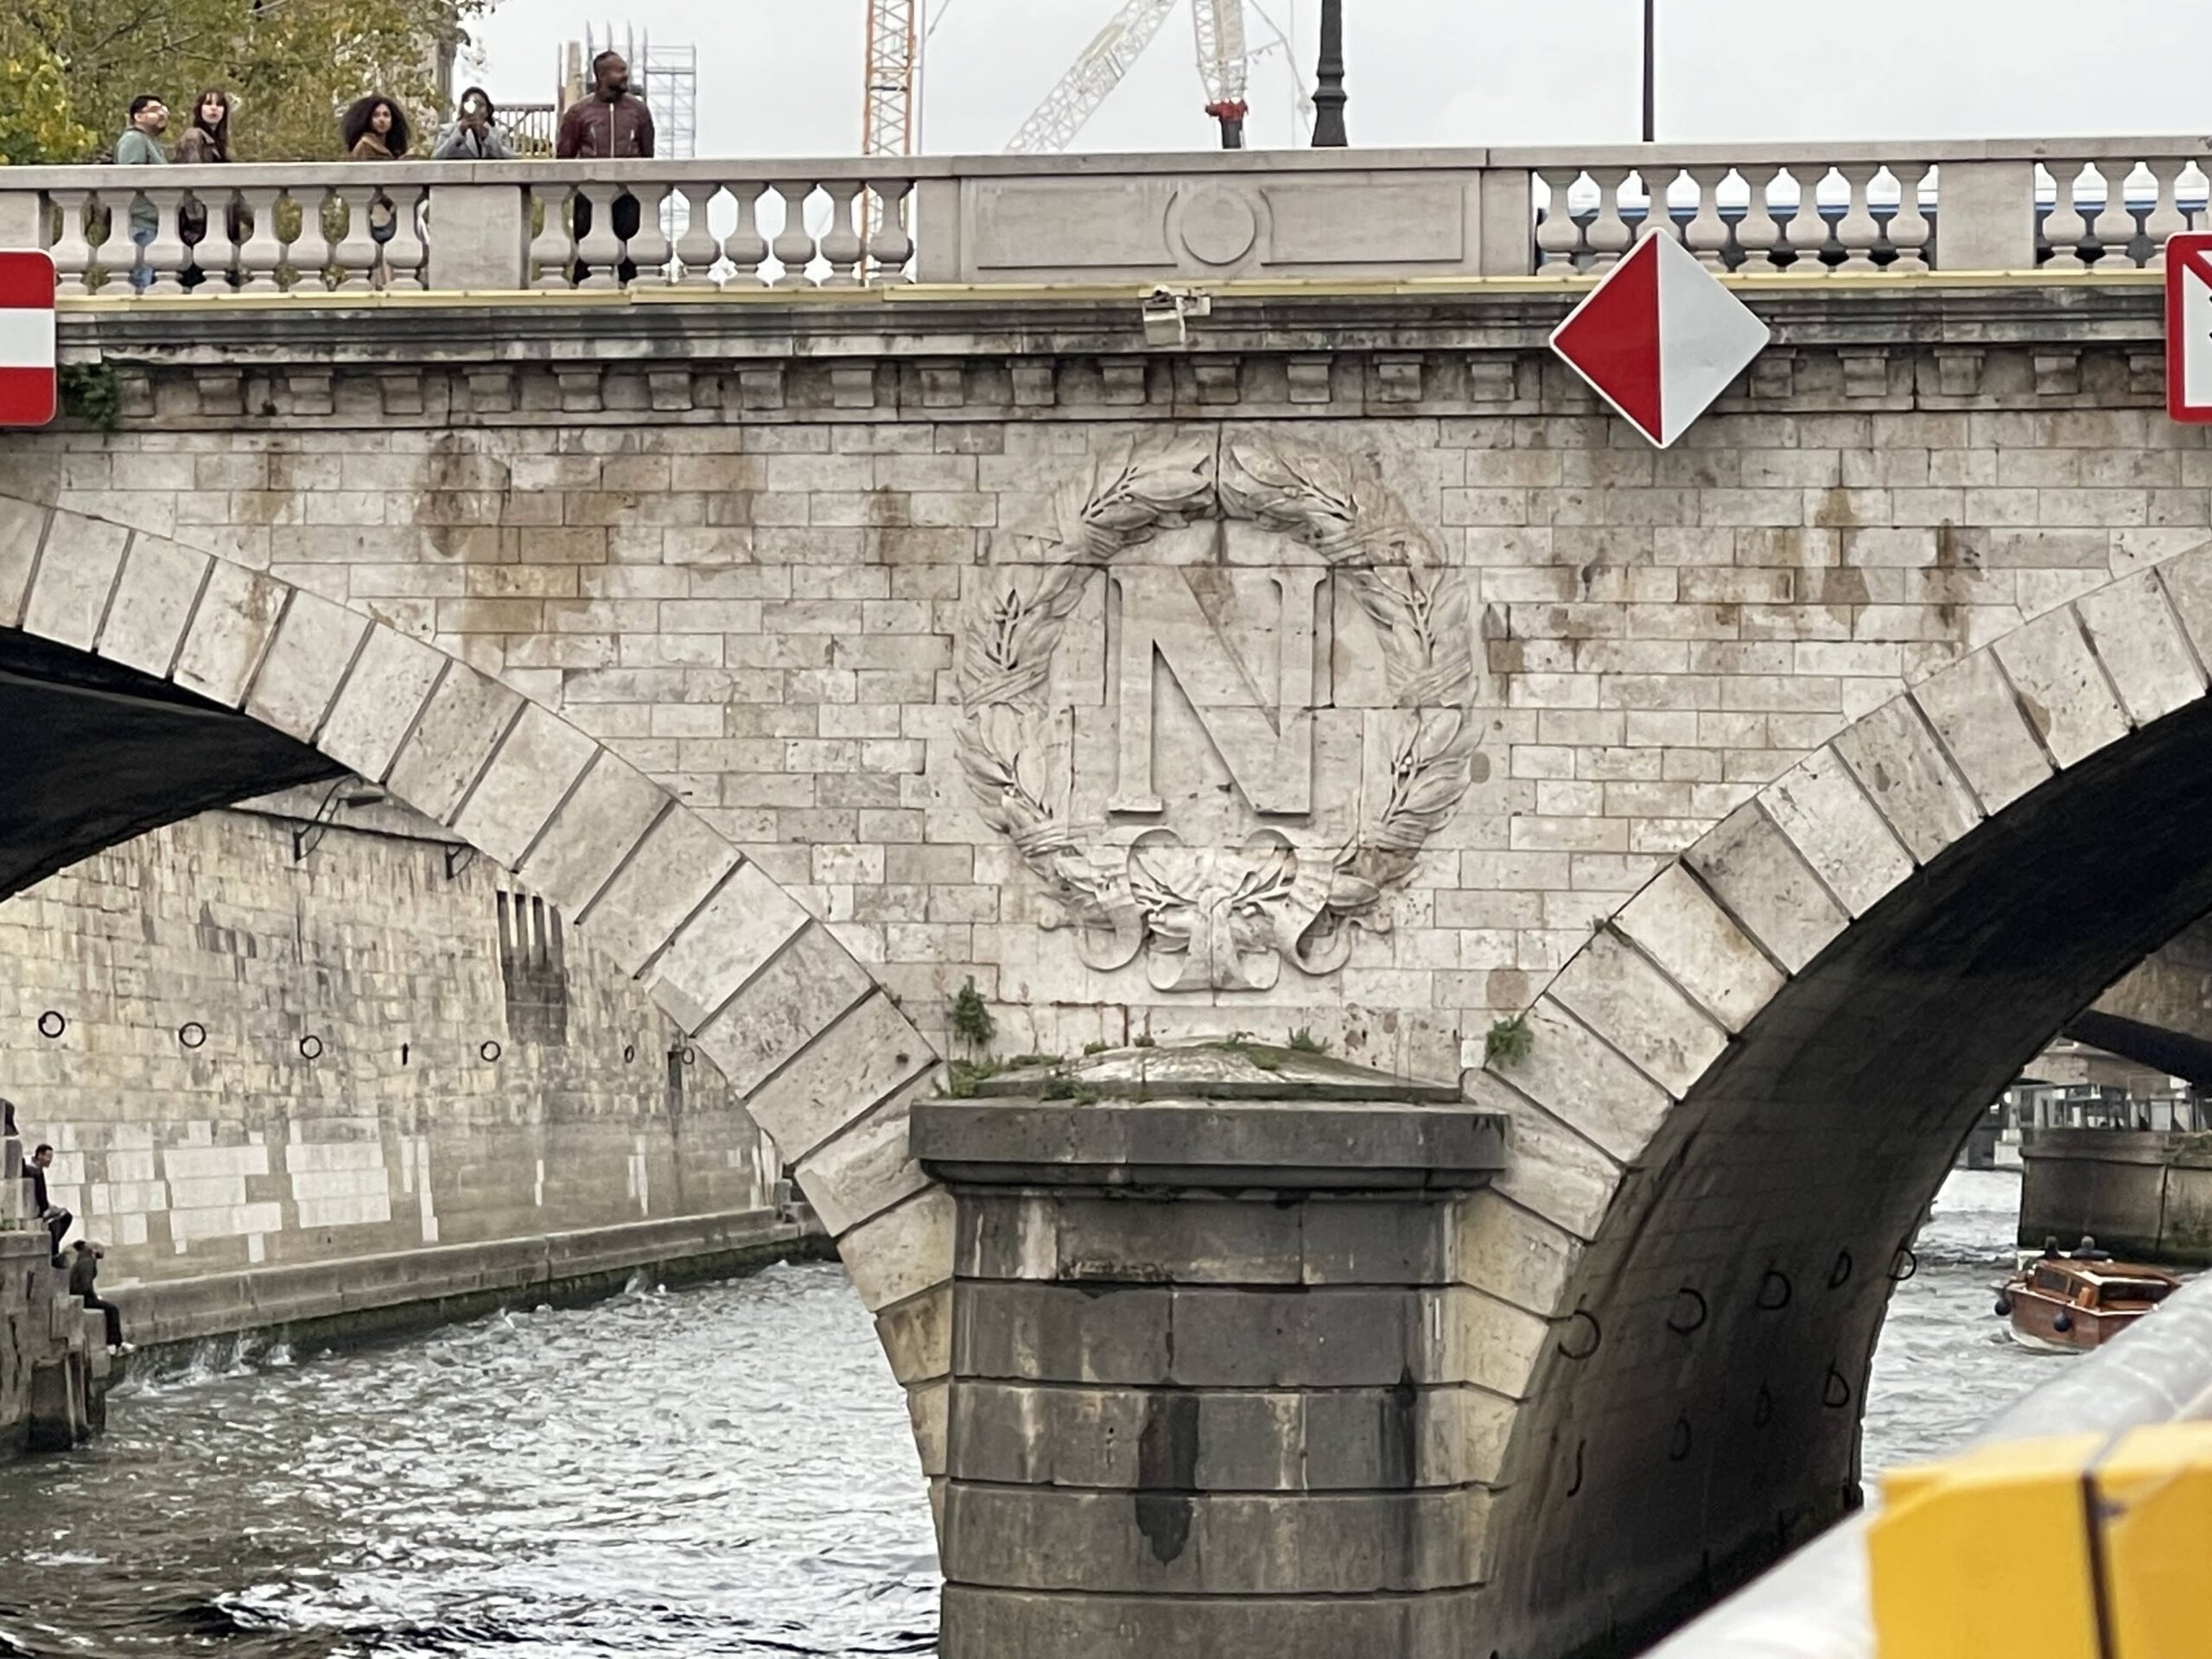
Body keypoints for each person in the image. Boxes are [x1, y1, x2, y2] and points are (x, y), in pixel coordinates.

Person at [555, 51, 654, 283]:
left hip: (628, 194)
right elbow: (564, 156)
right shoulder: (579, 113)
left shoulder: (638, 111)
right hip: (589, 194)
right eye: (619, 70)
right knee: (586, 253)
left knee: (631, 254)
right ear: (602, 75)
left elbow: (648, 154)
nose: (625, 75)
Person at [340, 96, 411, 285]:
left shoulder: (387, 148)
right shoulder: (366, 145)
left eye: (386, 115)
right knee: (381, 266)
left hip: (387, 211)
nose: (382, 120)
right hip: (376, 211)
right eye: (376, 115)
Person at [172, 88, 234, 290]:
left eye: (219, 105)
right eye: (208, 104)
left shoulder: (220, 142)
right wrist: (196, 219)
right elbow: (192, 178)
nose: (214, 109)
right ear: (199, 110)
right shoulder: (194, 137)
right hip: (199, 224)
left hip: (219, 219)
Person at [111, 94, 168, 292]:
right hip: (140, 224)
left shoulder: (148, 141)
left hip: (151, 224)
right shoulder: (134, 140)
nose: (161, 114)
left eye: (162, 109)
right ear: (138, 116)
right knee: (139, 286)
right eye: (154, 110)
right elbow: (129, 180)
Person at [68, 1243, 125, 1353]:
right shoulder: (88, 1262)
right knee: (112, 1310)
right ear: (94, 1250)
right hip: (84, 1298)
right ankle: (114, 1343)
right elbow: (86, 1285)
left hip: (79, 1297)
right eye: (101, 1249)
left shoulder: (82, 1259)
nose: (103, 1252)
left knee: (109, 1308)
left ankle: (116, 1343)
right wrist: (94, 1297)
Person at [432, 86, 515, 161]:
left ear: (488, 110)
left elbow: (509, 159)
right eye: (471, 105)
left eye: (481, 105)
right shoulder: (447, 130)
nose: (476, 110)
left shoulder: (499, 133)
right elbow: (437, 157)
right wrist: (458, 134)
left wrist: (487, 138)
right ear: (463, 108)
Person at [25, 1145, 70, 1262]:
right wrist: (46, 1209)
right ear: (40, 1155)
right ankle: (54, 1251)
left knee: (64, 1216)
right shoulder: (33, 1171)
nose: (50, 1160)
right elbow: (38, 1196)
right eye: (48, 1156)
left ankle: (53, 1248)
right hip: (38, 1211)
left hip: (41, 1208)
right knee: (60, 1218)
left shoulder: (37, 1171)